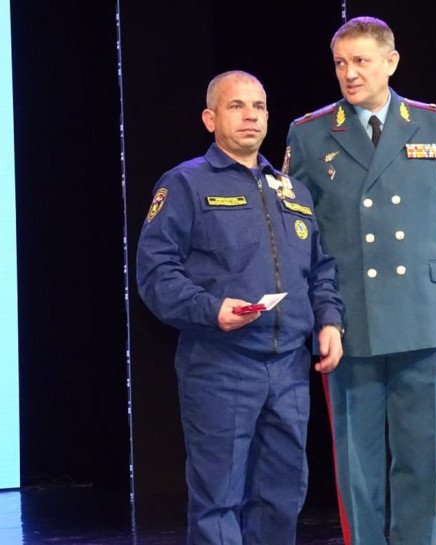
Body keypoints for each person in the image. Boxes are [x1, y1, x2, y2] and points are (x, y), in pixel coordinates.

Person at [283, 17, 436, 545]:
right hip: (349, 317)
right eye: (341, 63)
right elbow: (297, 234)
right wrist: (312, 314)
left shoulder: (434, 124)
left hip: (420, 311)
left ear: (391, 62)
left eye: (361, 61)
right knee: (356, 464)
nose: (350, 73)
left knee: (421, 458)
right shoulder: (309, 133)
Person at [136, 70, 345, 545]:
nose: (250, 115)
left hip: (289, 367)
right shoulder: (185, 184)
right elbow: (155, 273)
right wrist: (209, 309)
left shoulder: (292, 190)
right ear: (210, 119)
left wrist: (329, 321)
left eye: (259, 106)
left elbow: (321, 268)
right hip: (220, 364)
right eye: (236, 106)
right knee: (218, 500)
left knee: (282, 497)